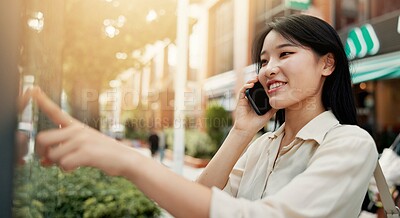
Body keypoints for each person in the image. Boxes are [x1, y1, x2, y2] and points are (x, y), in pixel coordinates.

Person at [32, 14, 378, 218]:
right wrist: (241, 132)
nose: (269, 69)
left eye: (285, 54)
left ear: (327, 63)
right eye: (264, 60)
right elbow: (197, 200)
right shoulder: (263, 147)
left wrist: (130, 162)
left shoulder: (350, 143)